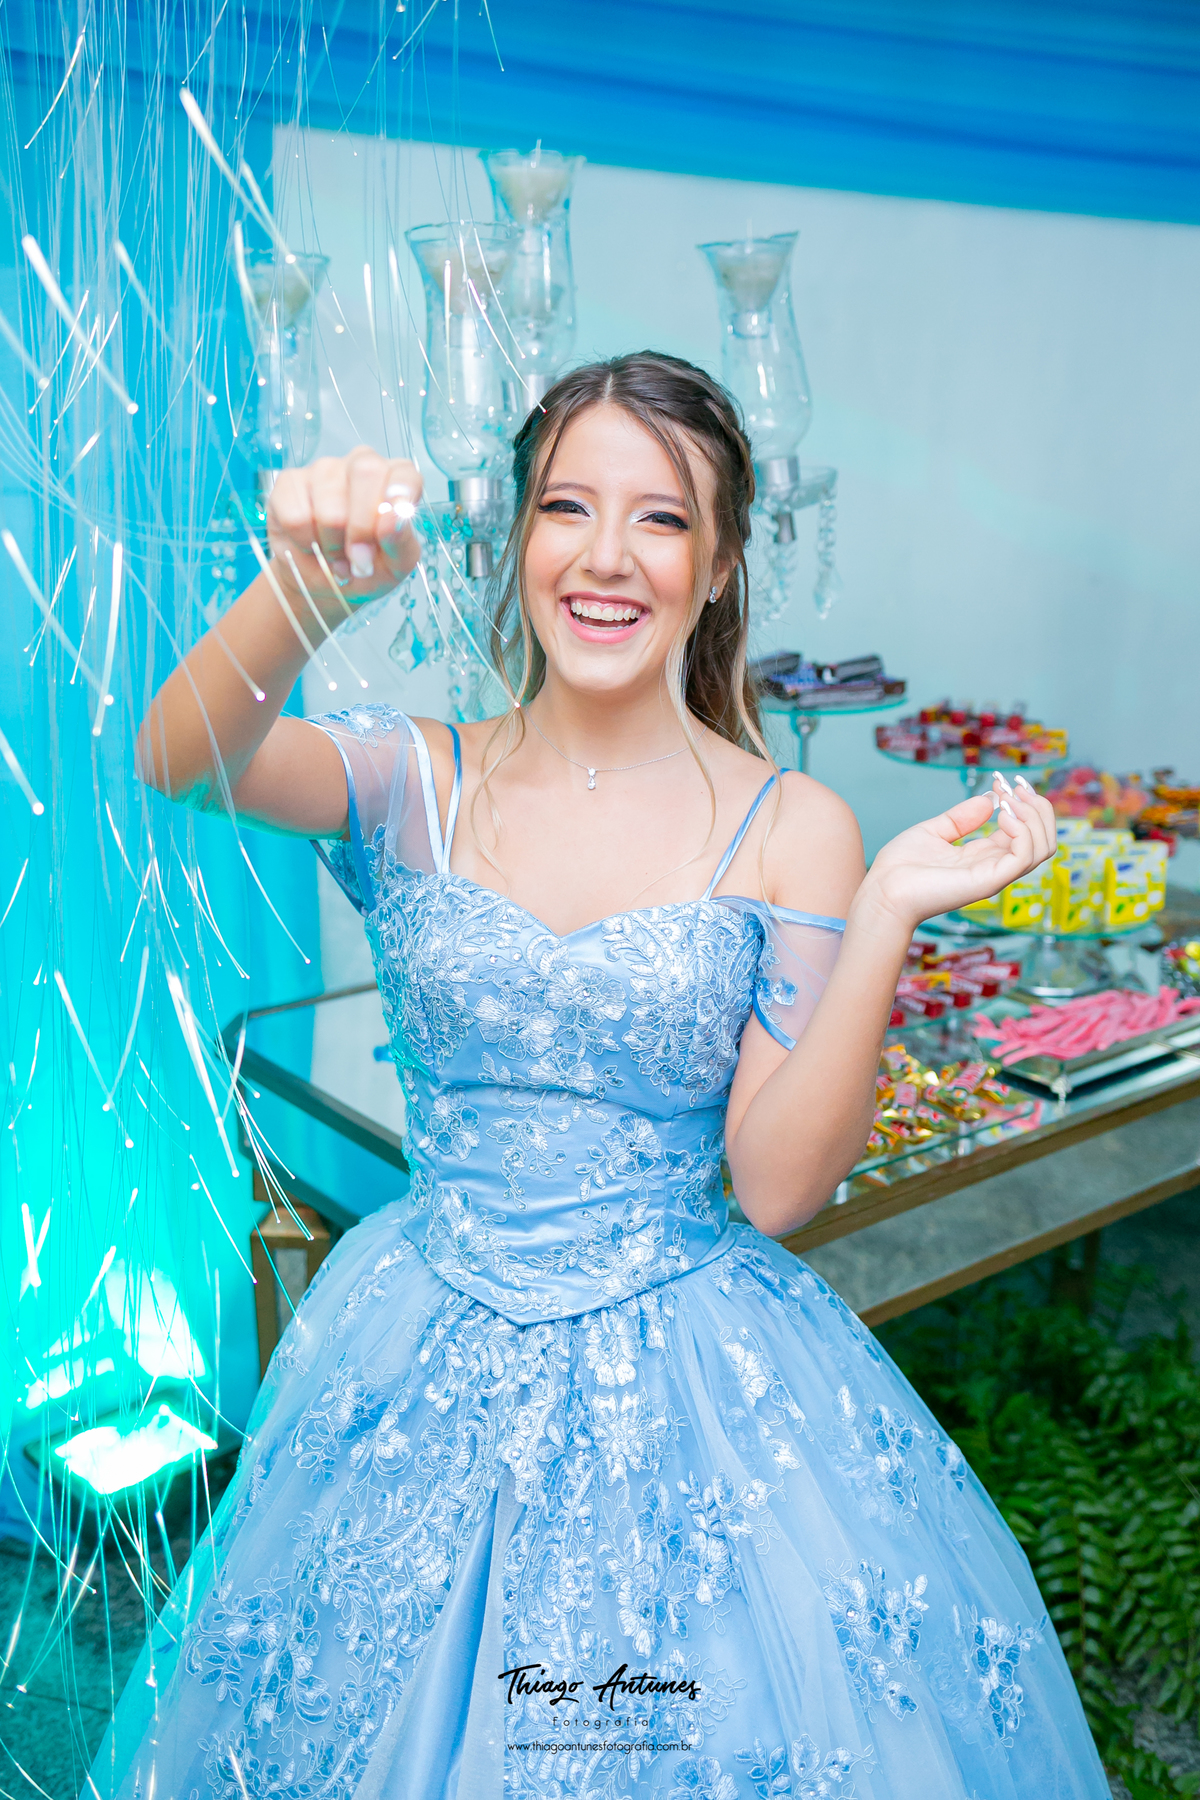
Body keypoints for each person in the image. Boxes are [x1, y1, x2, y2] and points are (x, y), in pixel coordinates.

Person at [97, 353, 1108, 1799]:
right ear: (517, 541)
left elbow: (773, 1189)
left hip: (685, 1373)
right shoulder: (417, 776)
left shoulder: (791, 824)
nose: (607, 556)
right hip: (416, 1348)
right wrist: (314, 588)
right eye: (568, 506)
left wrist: (883, 907)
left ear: (719, 564)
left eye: (662, 519)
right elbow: (185, 758)